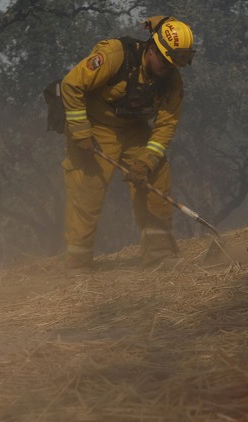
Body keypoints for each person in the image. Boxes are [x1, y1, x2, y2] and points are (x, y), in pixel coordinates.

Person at [59, 16, 195, 271]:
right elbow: (71, 85)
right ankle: (78, 264)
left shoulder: (171, 80)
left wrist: (146, 162)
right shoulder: (114, 55)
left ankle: (159, 255)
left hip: (134, 130)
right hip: (96, 128)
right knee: (88, 190)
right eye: (166, 62)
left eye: (176, 64)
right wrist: (81, 132)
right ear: (152, 49)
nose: (170, 69)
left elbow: (166, 125)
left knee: (156, 178)